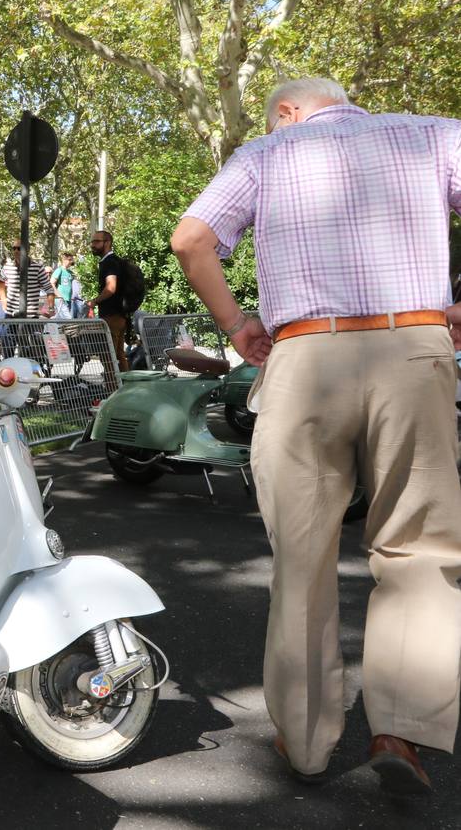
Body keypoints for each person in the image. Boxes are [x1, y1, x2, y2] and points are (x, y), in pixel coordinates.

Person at [171, 76, 461, 795]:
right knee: (417, 550)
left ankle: (304, 743)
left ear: (289, 112)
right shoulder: (431, 133)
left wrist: (239, 327)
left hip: (304, 357)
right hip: (414, 347)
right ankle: (401, 731)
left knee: (301, 557)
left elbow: (192, 239)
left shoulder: (266, 155)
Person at [87, 231, 128, 374]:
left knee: (108, 356)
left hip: (112, 317)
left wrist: (94, 301)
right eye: (92, 242)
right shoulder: (115, 261)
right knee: (118, 355)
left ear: (108, 243)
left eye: (96, 241)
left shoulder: (109, 262)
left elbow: (111, 288)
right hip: (119, 316)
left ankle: (114, 391)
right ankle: (125, 389)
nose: (93, 245)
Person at [51, 251, 83, 319]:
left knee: (62, 321)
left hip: (68, 300)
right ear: (64, 260)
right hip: (60, 300)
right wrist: (59, 296)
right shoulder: (59, 270)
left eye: (72, 260)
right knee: (67, 319)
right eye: (69, 260)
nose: (71, 261)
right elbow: (51, 284)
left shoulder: (70, 272)